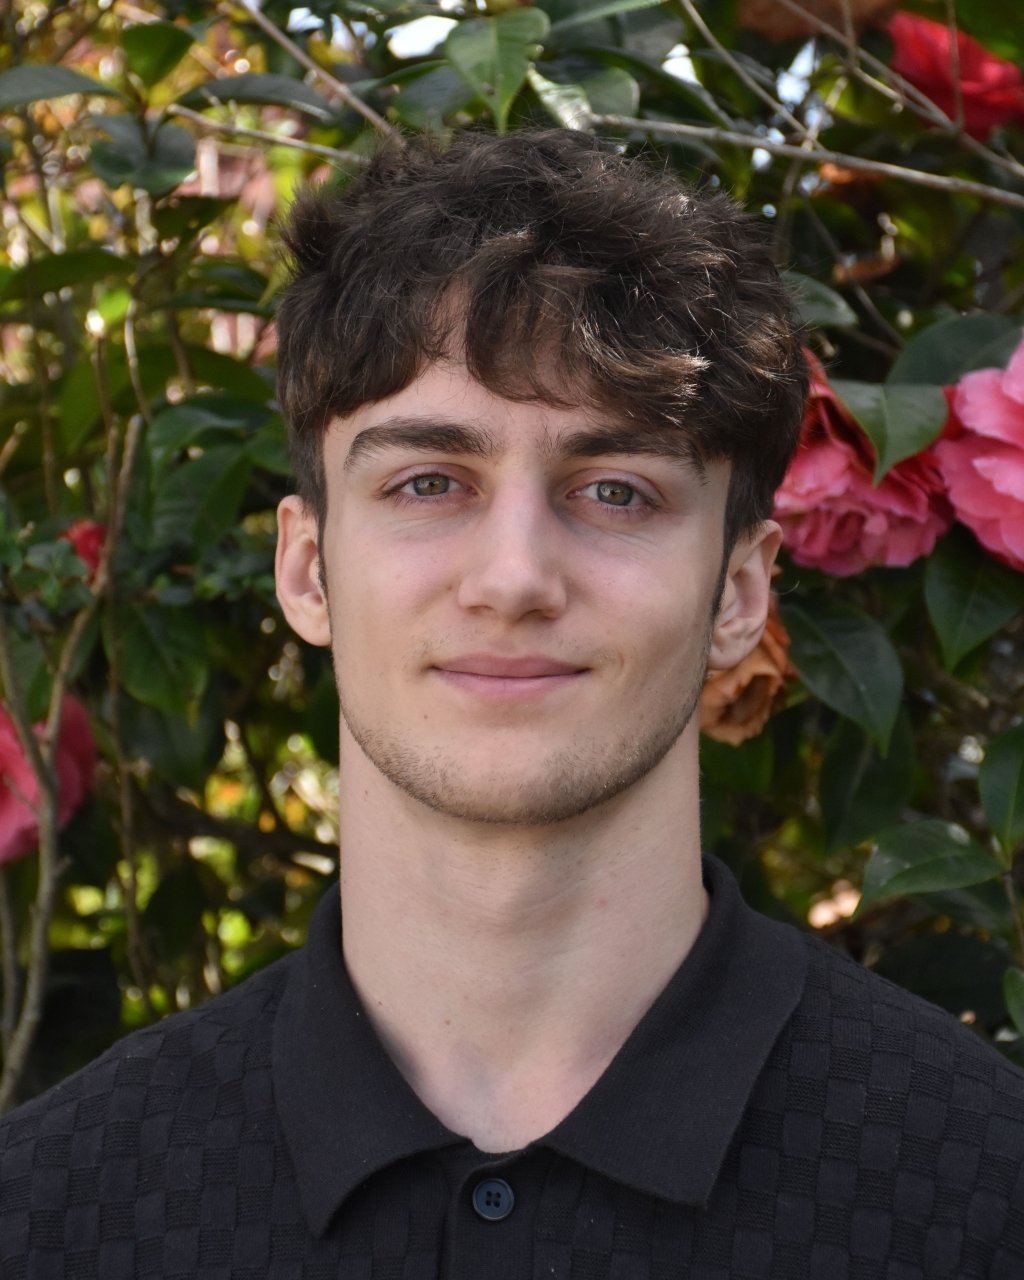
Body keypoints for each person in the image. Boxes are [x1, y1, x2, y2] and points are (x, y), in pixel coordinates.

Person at [2, 130, 1023, 1279]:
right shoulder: (49, 1215)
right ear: (306, 569)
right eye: (428, 482)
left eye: (616, 490)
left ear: (740, 592)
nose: (513, 577)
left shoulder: (985, 1196)